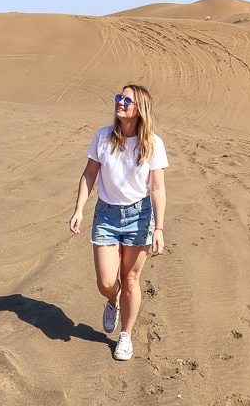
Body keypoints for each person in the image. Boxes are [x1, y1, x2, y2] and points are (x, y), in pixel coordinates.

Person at [69, 83, 168, 361]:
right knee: (106, 281)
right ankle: (113, 300)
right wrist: (78, 209)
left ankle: (125, 335)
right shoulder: (103, 137)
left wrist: (159, 228)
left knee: (131, 279)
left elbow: (158, 188)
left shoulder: (153, 144)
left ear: (140, 110)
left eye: (127, 100)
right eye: (119, 98)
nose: (120, 103)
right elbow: (89, 175)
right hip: (106, 215)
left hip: (139, 216)